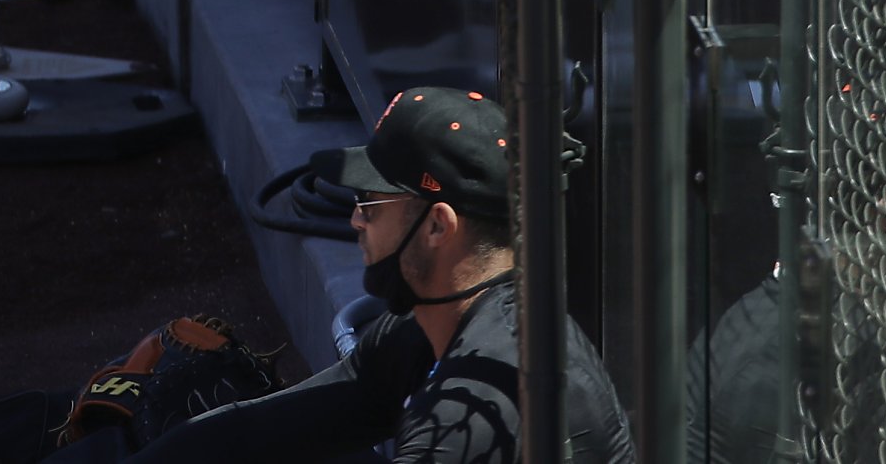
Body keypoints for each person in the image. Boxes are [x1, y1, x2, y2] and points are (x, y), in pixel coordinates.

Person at [114, 87, 635, 462]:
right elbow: (269, 425)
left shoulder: (473, 410)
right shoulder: (439, 325)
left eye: (370, 203)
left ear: (437, 225)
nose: (354, 220)